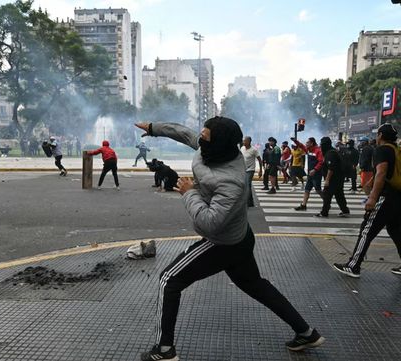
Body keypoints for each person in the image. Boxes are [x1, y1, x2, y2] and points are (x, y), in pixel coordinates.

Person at [135, 118, 324, 361]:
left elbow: (210, 222)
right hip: (240, 237)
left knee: (169, 280)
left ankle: (164, 351)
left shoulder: (231, 182)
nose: (199, 139)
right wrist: (153, 128)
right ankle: (306, 332)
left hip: (222, 243)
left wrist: (189, 193)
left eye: (205, 136)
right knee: (256, 285)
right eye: (202, 134)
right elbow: (184, 133)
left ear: (219, 144)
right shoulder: (212, 148)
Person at [333, 123, 401, 278]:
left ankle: (353, 266)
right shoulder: (397, 150)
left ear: (380, 135)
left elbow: (382, 173)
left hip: (387, 197)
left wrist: (372, 198)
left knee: (367, 230)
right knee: (395, 230)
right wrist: (369, 185)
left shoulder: (383, 150)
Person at [316, 137, 350, 218]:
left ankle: (324, 212)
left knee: (327, 195)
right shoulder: (332, 151)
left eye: (322, 145)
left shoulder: (330, 153)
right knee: (339, 195)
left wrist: (327, 180)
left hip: (333, 179)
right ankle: (345, 210)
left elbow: (331, 168)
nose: (321, 147)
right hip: (338, 178)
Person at [292, 137, 323, 211]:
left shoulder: (318, 151)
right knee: (307, 190)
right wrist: (295, 141)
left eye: (307, 142)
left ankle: (327, 201)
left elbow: (321, 162)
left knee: (318, 190)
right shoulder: (309, 150)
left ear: (312, 143)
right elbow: (301, 146)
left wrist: (315, 169)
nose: (306, 144)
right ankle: (303, 205)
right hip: (310, 174)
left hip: (316, 174)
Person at [240, 136, 263, 207]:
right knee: (246, 186)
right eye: (243, 141)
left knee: (248, 184)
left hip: (250, 169)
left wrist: (260, 170)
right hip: (243, 169)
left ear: (249, 142)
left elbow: (259, 159)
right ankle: (250, 202)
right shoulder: (242, 148)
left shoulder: (254, 150)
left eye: (245, 141)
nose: (243, 142)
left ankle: (247, 203)